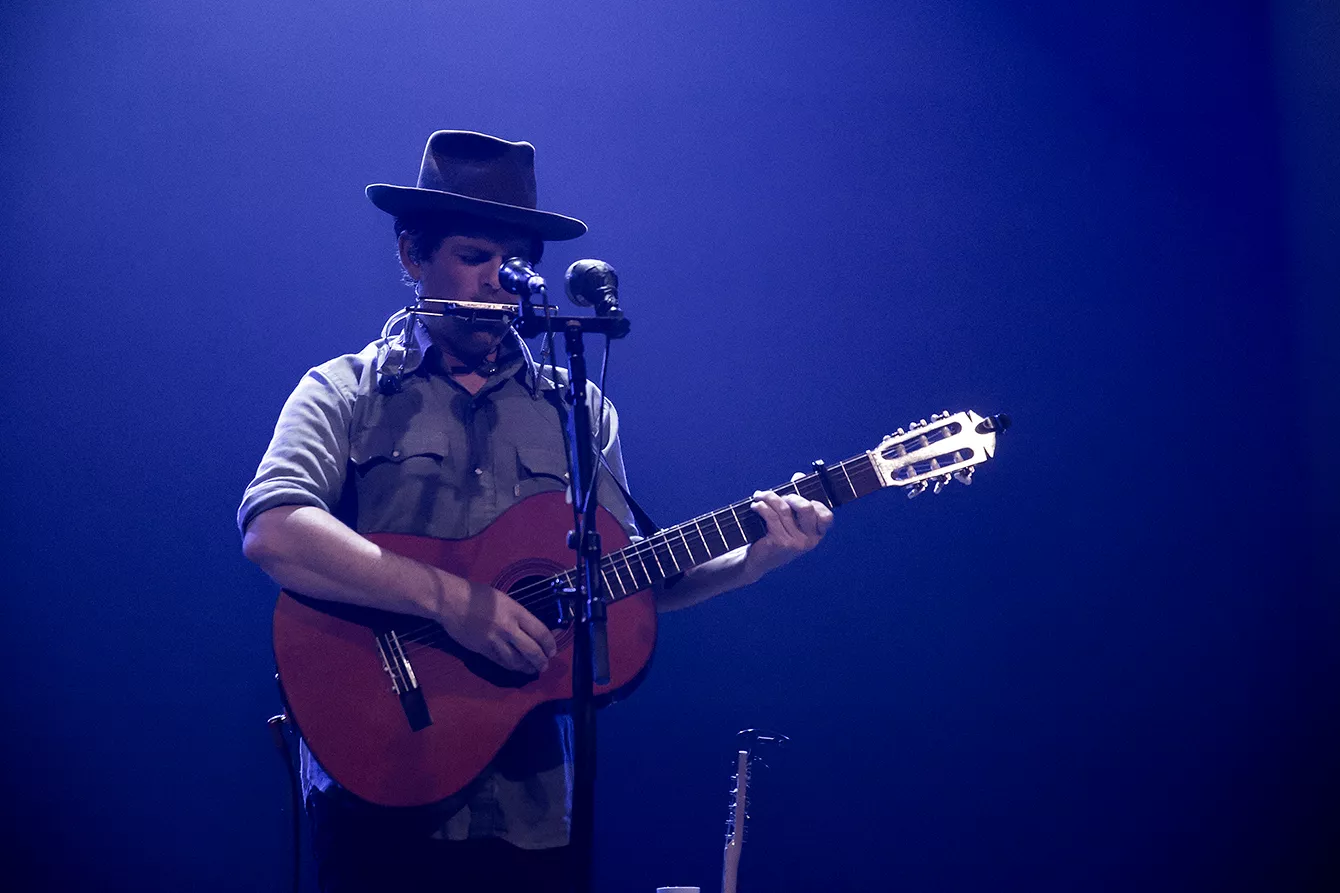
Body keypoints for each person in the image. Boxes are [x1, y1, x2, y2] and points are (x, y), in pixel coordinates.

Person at [239, 130, 834, 893]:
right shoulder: (345, 390)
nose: (498, 281)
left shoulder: (578, 409)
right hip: (376, 780)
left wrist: (755, 559)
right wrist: (456, 603)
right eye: (474, 256)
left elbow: (626, 577)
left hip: (534, 804)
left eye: (513, 262)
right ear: (412, 255)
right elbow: (273, 528)